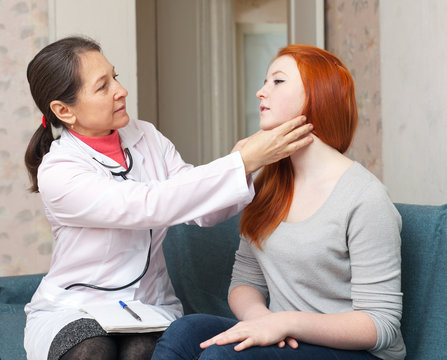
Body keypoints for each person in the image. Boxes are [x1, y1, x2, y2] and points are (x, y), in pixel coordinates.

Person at [23, 37, 314, 360]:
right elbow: (147, 205)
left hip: (147, 305)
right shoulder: (59, 171)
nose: (121, 90)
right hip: (76, 306)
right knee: (93, 350)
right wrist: (241, 162)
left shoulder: (146, 135)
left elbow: (199, 209)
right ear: (64, 110)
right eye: (103, 86)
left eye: (115, 77)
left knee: (144, 351)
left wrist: (244, 163)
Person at [152, 44, 406, 360]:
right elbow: (244, 282)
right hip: (286, 339)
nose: (261, 92)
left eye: (278, 81)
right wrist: (262, 320)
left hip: (356, 353)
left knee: (223, 357)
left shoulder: (365, 197)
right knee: (184, 332)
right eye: (265, 81)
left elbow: (380, 325)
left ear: (317, 96)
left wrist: (284, 323)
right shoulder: (269, 184)